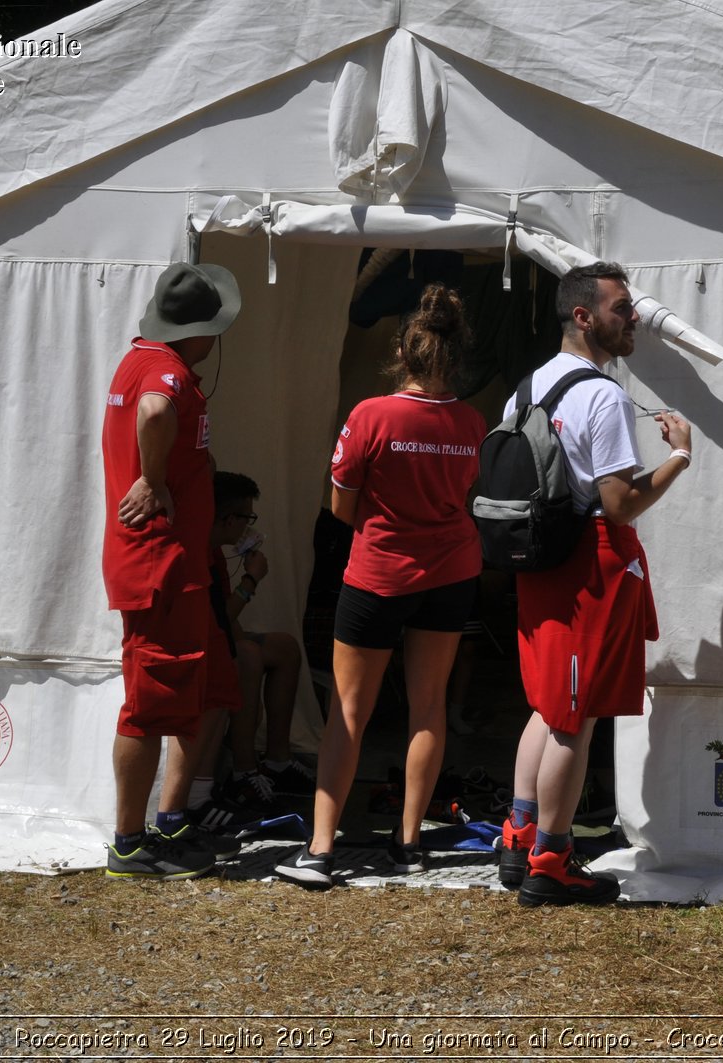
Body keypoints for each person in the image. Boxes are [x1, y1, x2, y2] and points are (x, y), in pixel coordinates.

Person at [275, 284, 487, 887]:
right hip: (451, 572)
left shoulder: (371, 414)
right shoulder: (472, 421)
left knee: (348, 710)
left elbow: (340, 509)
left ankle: (319, 850)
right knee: (429, 706)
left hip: (379, 573)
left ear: (403, 351)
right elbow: (469, 495)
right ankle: (410, 842)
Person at [497, 261, 693, 906]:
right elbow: (619, 504)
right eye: (621, 308)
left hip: (539, 562)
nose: (633, 317)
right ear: (584, 316)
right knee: (571, 719)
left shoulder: (524, 388)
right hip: (588, 566)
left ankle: (519, 836)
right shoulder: (602, 395)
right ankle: (551, 860)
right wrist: (679, 457)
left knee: (548, 705)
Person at [100, 260, 241, 879]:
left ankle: (170, 820)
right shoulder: (166, 371)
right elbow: (156, 411)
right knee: (150, 701)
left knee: (195, 689)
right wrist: (154, 481)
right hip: (160, 562)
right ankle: (130, 843)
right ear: (201, 331)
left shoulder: (141, 357)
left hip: (177, 560)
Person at [205, 471, 315, 811]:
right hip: (203, 641)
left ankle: (278, 759)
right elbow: (221, 617)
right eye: (247, 518)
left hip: (219, 634)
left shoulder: (220, 553)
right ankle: (244, 770)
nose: (248, 527)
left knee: (285, 648)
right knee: (248, 655)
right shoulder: (204, 551)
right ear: (228, 518)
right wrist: (251, 579)